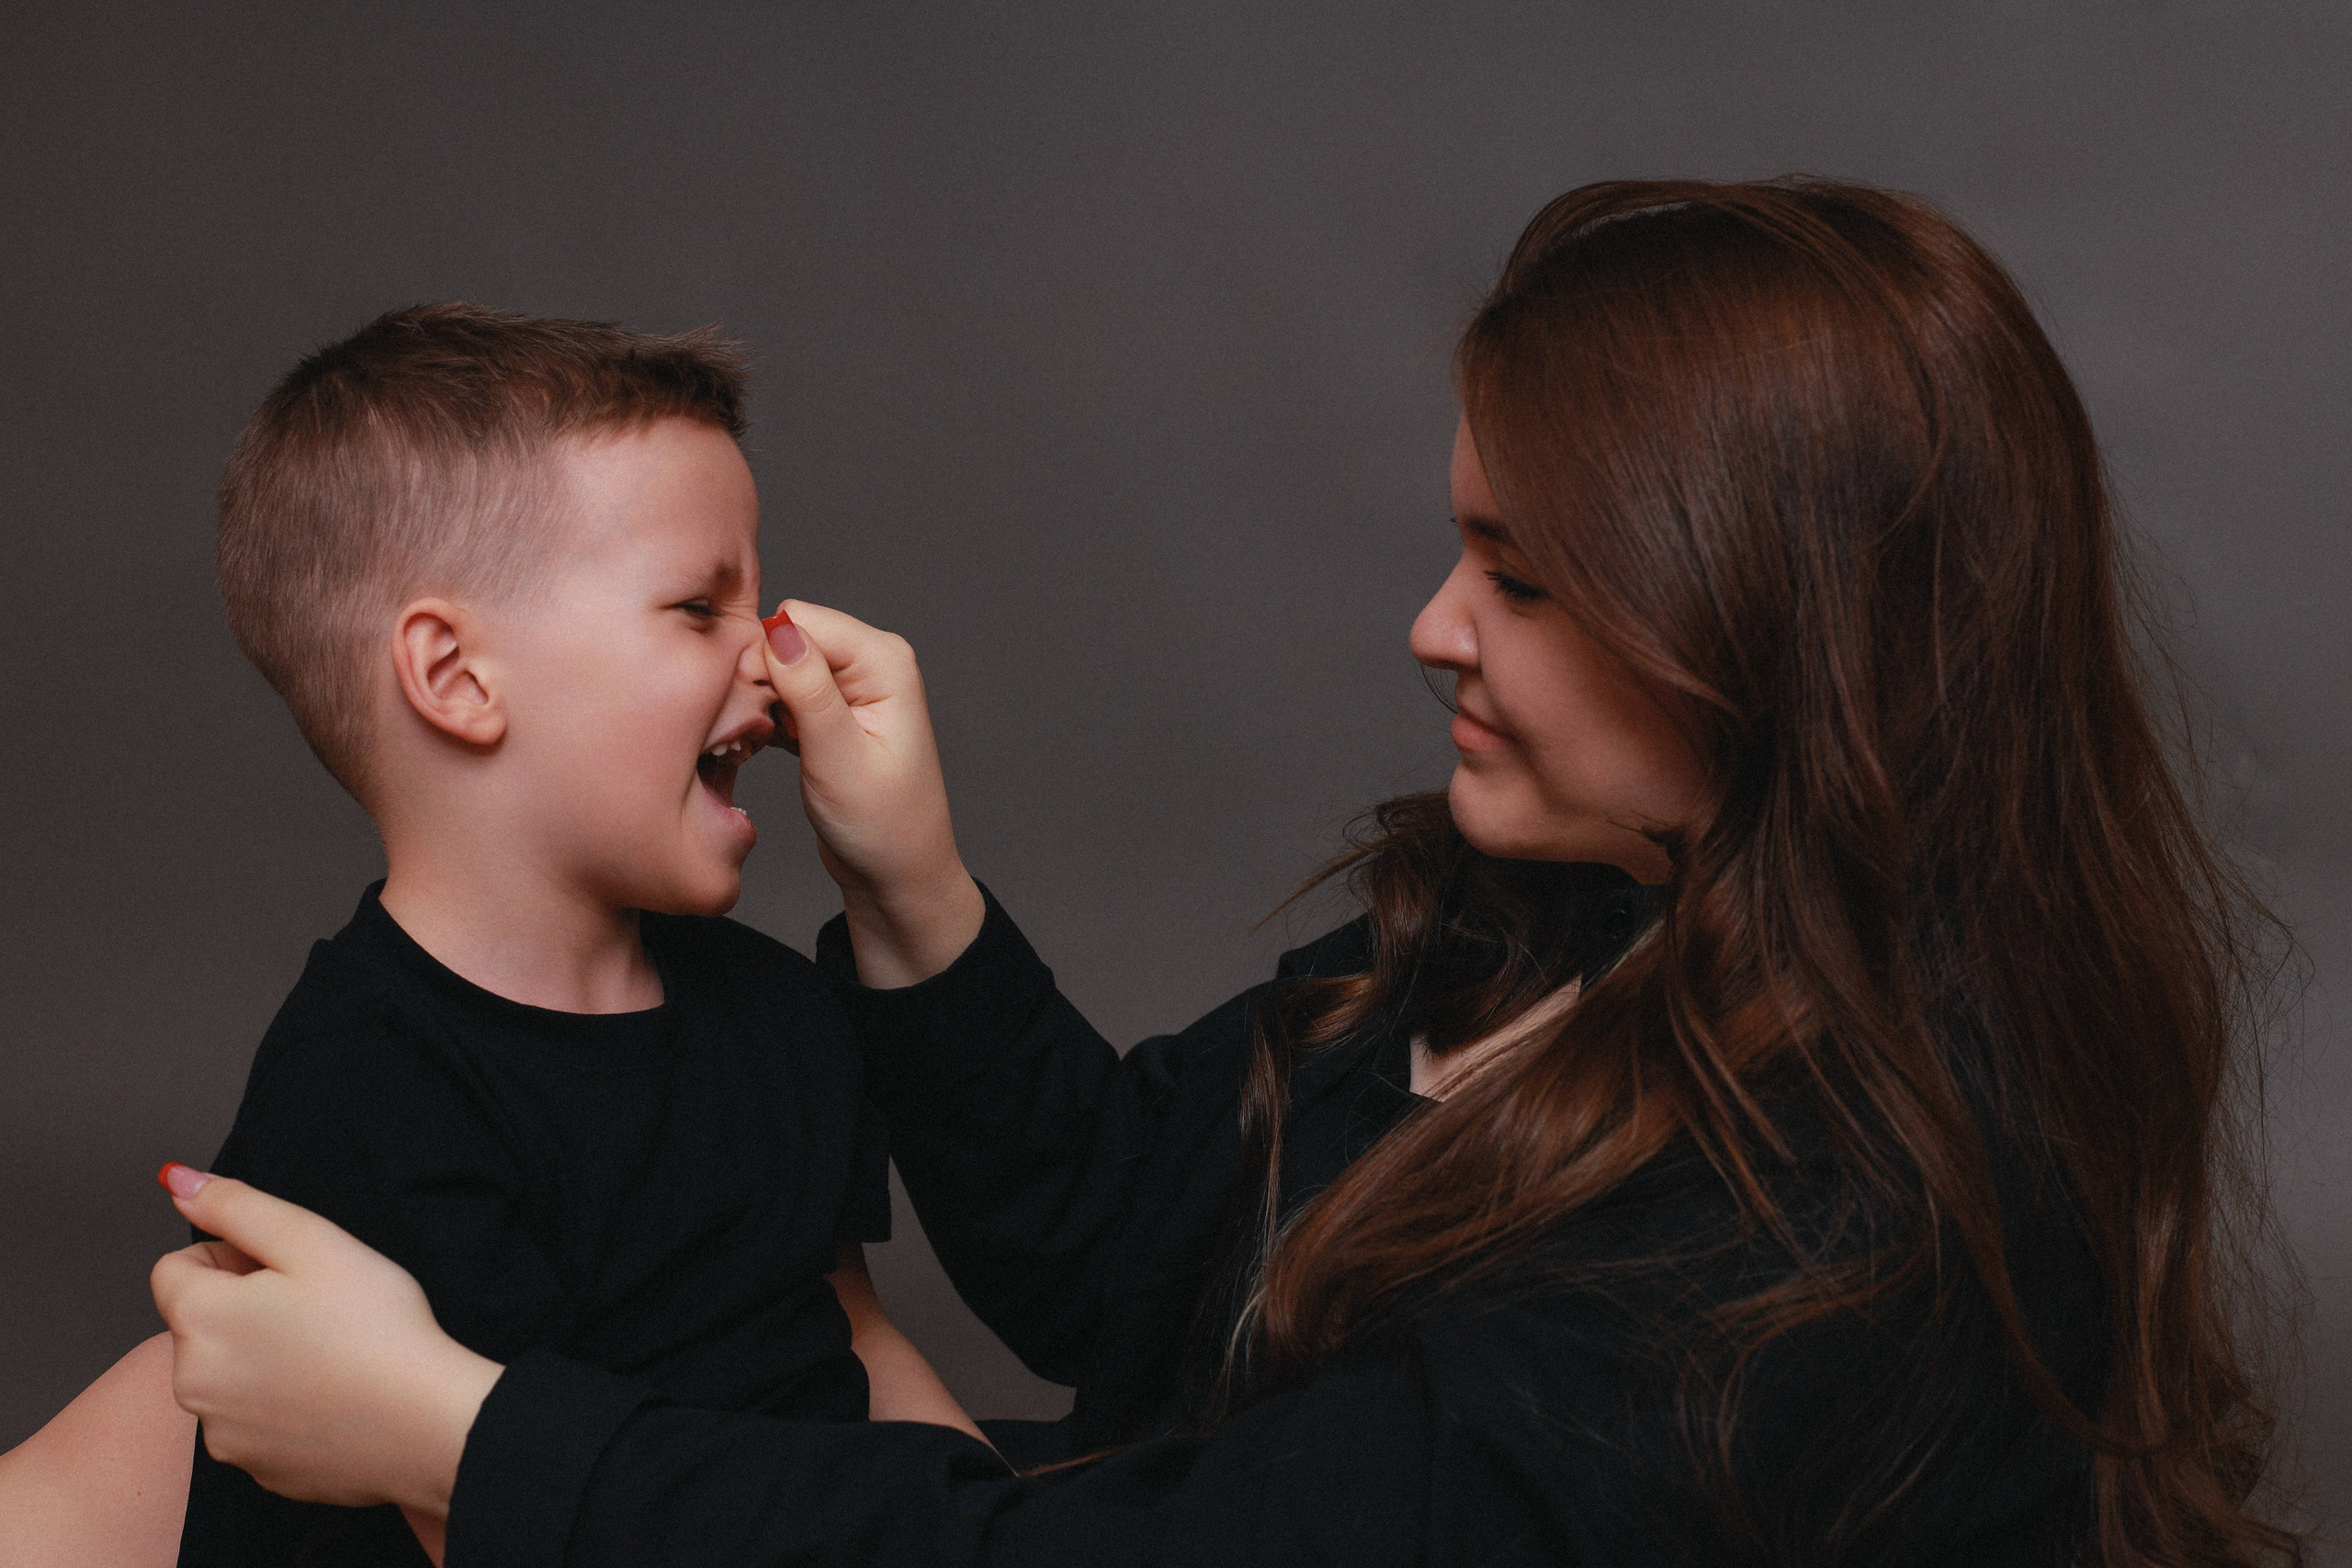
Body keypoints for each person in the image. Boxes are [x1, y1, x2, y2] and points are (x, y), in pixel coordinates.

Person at [150, 178, 2298, 1565]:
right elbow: (1136, 1254)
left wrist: (469, 1431)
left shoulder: (1842, 1228)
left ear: (1763, 648)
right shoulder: (1561, 924)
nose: (1431, 631)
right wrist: (913, 894)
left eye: (1519, 580)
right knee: (173, 1385)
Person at [165, 305, 980, 1567]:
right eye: (699, 607)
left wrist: (1007, 1529)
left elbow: (853, 1338)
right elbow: (465, 1502)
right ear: (456, 678)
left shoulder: (775, 1009)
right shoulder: (364, 1094)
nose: (777, 662)